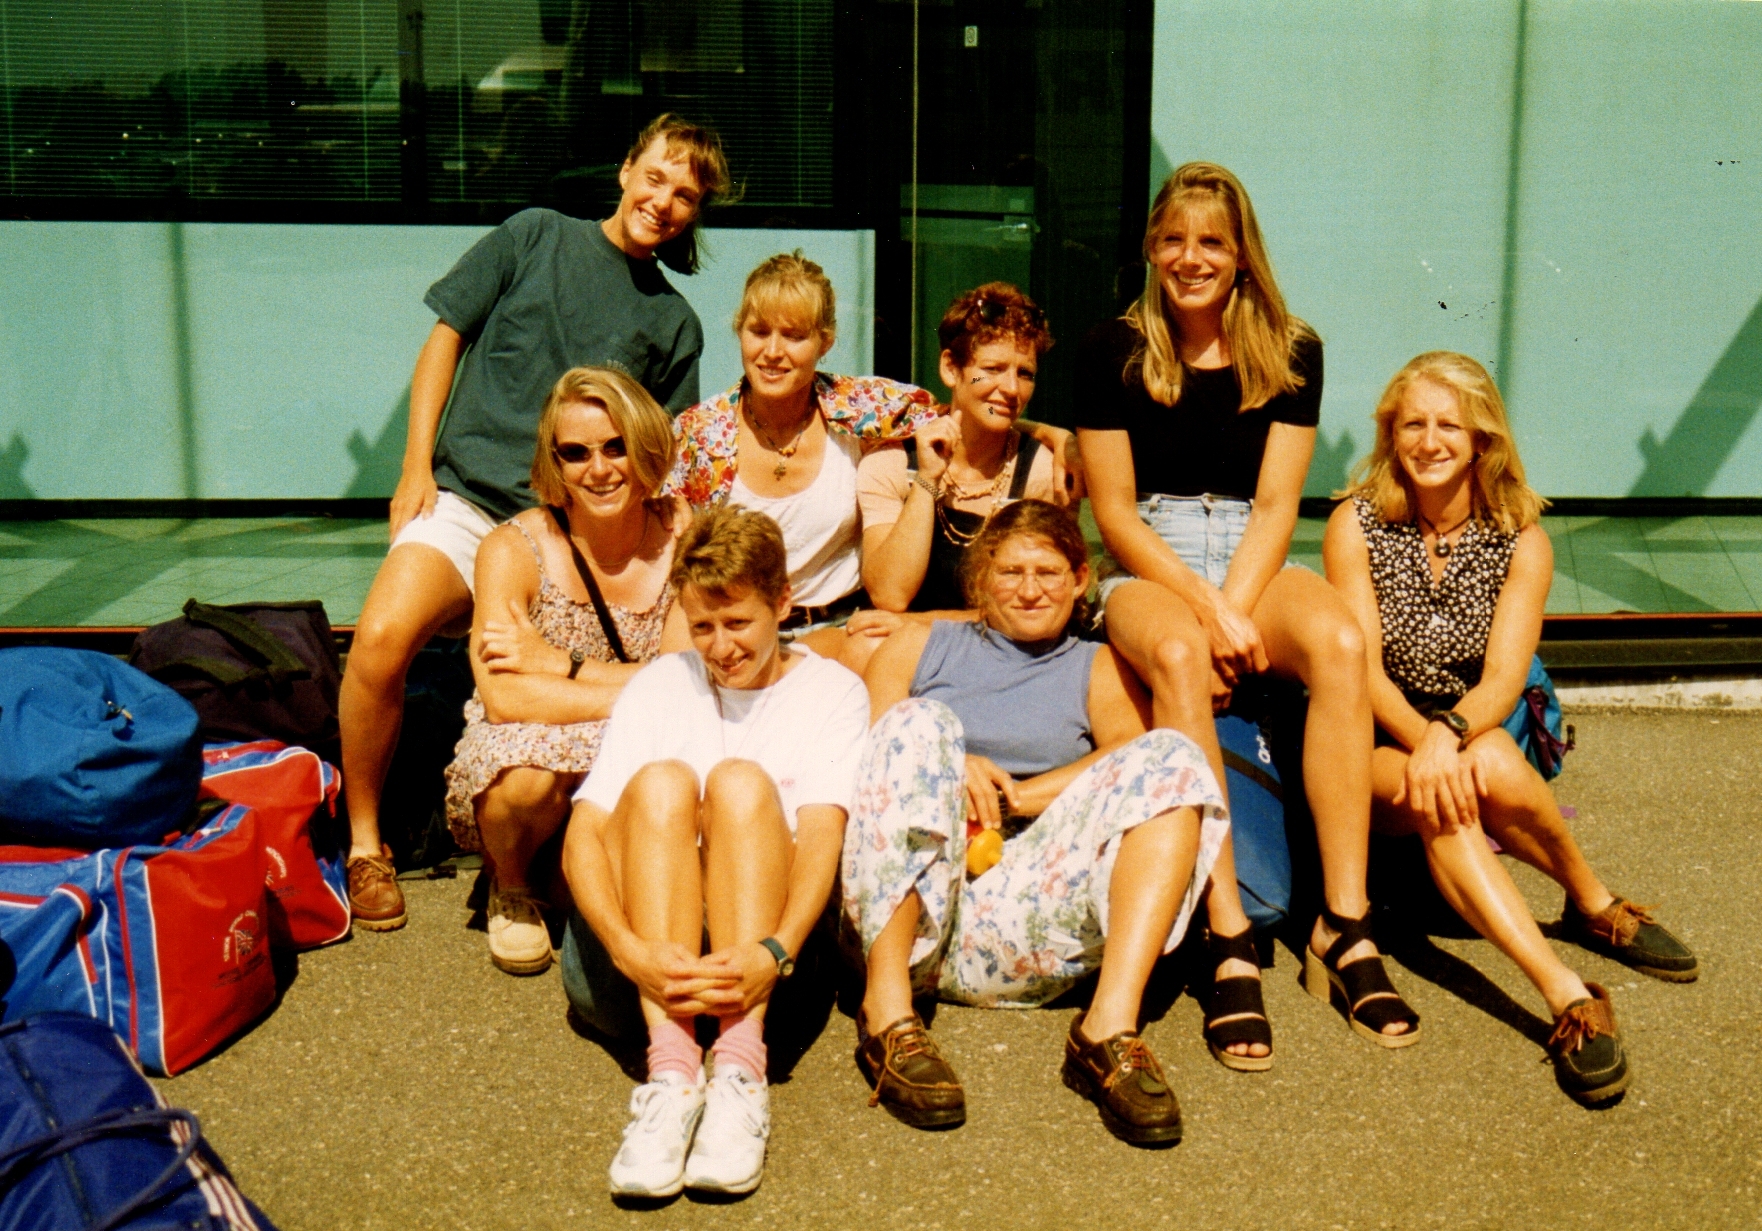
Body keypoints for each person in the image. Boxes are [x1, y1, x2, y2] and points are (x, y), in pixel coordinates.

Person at [338, 115, 730, 932]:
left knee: (549, 702)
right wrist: (414, 469)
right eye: (655, 178)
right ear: (626, 170)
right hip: (470, 505)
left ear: (695, 213)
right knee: (379, 637)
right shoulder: (533, 235)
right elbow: (444, 339)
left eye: (684, 195)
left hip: (571, 537)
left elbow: (659, 448)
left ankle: (546, 852)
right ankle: (366, 842)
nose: (663, 201)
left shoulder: (674, 323)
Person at [1075, 161, 1418, 1054]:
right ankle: (1230, 936)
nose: (1192, 258)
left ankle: (1343, 922)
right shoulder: (1109, 348)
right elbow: (1111, 512)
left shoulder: (1291, 348)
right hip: (1150, 557)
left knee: (1340, 639)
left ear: (1241, 255)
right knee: (1183, 657)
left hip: (1250, 557)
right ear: (1153, 246)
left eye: (1213, 242)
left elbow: (1275, 507)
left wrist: (1236, 604)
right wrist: (1205, 612)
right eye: (1176, 239)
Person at [1324, 351, 1696, 1105]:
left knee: (1479, 763)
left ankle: (1590, 904)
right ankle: (1565, 993)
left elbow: (1502, 677)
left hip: (1467, 732)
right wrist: (1426, 743)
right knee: (1452, 789)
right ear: (1391, 433)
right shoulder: (1355, 523)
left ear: (1483, 439)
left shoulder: (1521, 537)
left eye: (1448, 425)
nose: (1428, 441)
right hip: (1365, 746)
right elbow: (1360, 676)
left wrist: (1446, 734)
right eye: (1412, 424)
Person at [845, 500, 1228, 1146]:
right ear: (981, 578)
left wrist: (1023, 796)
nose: (1029, 589)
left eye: (1048, 572)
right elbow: (873, 746)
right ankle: (888, 1017)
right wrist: (954, 762)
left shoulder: (1093, 664)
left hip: (1021, 921)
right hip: (908, 912)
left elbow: (1126, 761)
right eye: (1011, 571)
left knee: (1173, 756)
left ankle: (1107, 1027)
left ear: (1080, 579)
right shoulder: (920, 643)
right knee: (917, 724)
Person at [561, 505, 870, 1198]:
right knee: (664, 780)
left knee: (738, 785)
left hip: (765, 969)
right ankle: (670, 1075)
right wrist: (624, 946)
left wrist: (778, 948)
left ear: (783, 602)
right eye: (702, 626)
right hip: (644, 969)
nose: (721, 645)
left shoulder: (832, 692)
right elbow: (586, 833)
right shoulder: (660, 685)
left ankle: (736, 1072)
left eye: (739, 623)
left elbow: (822, 833)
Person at [665, 254, 1078, 674]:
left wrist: (1050, 435)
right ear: (739, 332)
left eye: (793, 335)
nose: (773, 352)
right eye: (759, 331)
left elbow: (969, 408)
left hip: (834, 629)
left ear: (824, 343)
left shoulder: (864, 410)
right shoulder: (699, 434)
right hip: (733, 631)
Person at [440, 367, 691, 975]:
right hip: (537, 739)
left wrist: (560, 665)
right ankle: (515, 884)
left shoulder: (685, 532)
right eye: (575, 453)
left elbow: (689, 681)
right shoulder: (511, 548)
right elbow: (502, 698)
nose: (598, 470)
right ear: (554, 463)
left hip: (615, 727)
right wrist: (644, 687)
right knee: (522, 772)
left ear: (644, 446)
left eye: (615, 447)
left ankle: (578, 872)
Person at [858, 283, 1069, 615]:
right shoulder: (893, 462)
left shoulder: (1038, 472)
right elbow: (890, 595)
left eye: (1025, 374)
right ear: (951, 369)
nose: (1012, 389)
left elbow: (1039, 608)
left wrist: (923, 626)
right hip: (903, 652)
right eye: (992, 369)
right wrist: (927, 478)